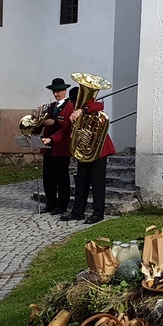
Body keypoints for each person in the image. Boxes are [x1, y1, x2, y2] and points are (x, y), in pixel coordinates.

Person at [58, 89, 115, 224]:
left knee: (97, 183)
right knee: (81, 182)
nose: (73, 104)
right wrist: (51, 139)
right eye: (72, 102)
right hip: (84, 150)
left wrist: (81, 111)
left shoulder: (90, 107)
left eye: (74, 101)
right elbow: (66, 130)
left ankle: (98, 213)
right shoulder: (75, 112)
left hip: (99, 150)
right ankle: (78, 212)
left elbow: (99, 105)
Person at [32, 78, 73, 214]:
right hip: (48, 147)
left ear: (65, 91)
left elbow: (68, 126)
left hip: (61, 146)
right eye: (54, 92)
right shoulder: (50, 106)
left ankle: (62, 205)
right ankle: (50, 202)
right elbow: (39, 127)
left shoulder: (70, 106)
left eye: (59, 91)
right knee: (48, 176)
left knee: (61, 177)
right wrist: (37, 121)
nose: (56, 94)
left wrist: (54, 122)